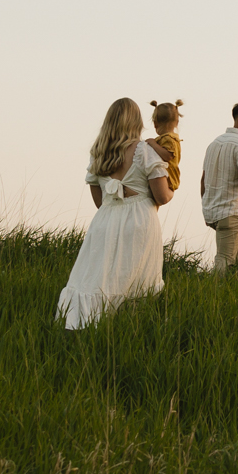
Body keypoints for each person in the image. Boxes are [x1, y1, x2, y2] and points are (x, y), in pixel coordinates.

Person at [56, 96, 173, 328]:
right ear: (136, 122)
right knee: (136, 279)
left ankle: (84, 324)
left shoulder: (98, 154)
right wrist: (171, 188)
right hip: (140, 220)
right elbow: (162, 196)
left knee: (97, 276)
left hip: (105, 221)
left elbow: (100, 201)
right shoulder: (144, 151)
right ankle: (128, 328)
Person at [200, 101, 238, 273]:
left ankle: (236, 274)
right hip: (231, 211)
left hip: (214, 211)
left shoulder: (214, 144)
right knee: (224, 259)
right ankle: (218, 290)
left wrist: (206, 208)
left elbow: (204, 180)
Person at [149, 98, 185, 190]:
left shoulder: (169, 139)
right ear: (177, 122)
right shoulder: (170, 138)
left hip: (168, 179)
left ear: (155, 124)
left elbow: (168, 155)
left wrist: (153, 144)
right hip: (166, 178)